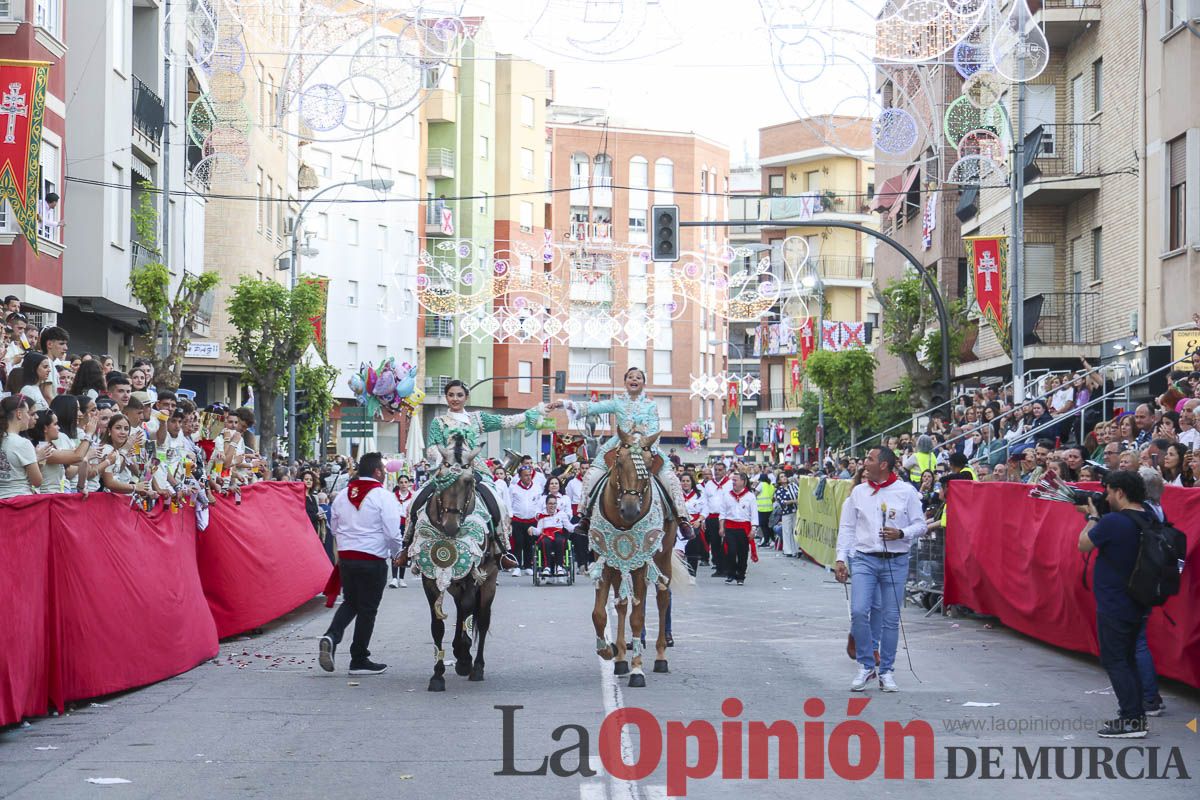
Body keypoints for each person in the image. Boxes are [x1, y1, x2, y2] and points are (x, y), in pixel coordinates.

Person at [557, 368, 690, 537]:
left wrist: (645, 444)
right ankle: (585, 516)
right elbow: (594, 407)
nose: (634, 380)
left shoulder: (651, 405)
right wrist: (565, 404)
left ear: (643, 382)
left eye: (638, 377)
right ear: (625, 381)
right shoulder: (617, 402)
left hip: (646, 446)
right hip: (619, 447)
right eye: (630, 377)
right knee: (591, 475)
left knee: (671, 479)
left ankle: (682, 518)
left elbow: (655, 428)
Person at [834, 446, 925, 692]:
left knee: (890, 619)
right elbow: (848, 528)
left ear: (883, 464)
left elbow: (921, 525)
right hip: (864, 558)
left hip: (896, 560)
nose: (864, 463)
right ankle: (866, 665)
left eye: (869, 459)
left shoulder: (906, 492)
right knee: (860, 610)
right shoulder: (859, 493)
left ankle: (886, 670)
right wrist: (841, 558)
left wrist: (902, 533)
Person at [1075, 469, 1151, 738]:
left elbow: (1083, 544)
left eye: (1108, 492)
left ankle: (1131, 719)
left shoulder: (1114, 522)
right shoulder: (1150, 516)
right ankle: (1137, 714)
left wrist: (1093, 517)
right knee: (1128, 658)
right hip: (1141, 599)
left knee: (1116, 660)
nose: (1105, 496)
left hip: (1115, 602)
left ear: (1120, 492)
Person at [318, 453, 402, 676]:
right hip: (372, 558)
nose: (384, 474)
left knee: (351, 602)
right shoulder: (383, 497)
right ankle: (359, 658)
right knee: (367, 609)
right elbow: (392, 532)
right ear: (376, 472)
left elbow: (334, 526)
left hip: (347, 557)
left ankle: (332, 636)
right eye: (383, 470)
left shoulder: (343, 495)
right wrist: (397, 554)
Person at [0, 396, 48, 498]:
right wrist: (38, 458)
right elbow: (37, 481)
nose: (30, 417)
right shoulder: (23, 443)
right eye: (28, 412)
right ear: (19, 414)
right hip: (19, 501)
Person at [719, 471, 758, 586]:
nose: (733, 482)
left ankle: (741, 575)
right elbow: (722, 513)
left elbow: (754, 515)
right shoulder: (727, 495)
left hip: (744, 528)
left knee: (742, 553)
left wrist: (753, 529)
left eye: (735, 480)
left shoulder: (750, 496)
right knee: (730, 551)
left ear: (743, 482)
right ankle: (731, 573)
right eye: (733, 480)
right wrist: (721, 527)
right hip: (730, 527)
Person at [701, 461, 733, 577]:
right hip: (712, 517)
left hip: (726, 518)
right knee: (714, 544)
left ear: (725, 471)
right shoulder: (709, 484)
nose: (718, 472)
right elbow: (705, 503)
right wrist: (703, 519)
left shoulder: (730, 484)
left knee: (727, 543)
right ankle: (719, 567)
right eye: (716, 470)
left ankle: (727, 567)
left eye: (720, 470)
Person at [534, 494, 575, 579]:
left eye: (554, 503)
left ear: (556, 504)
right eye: (550, 504)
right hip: (546, 534)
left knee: (560, 540)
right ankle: (547, 567)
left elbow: (569, 527)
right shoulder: (542, 516)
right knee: (546, 542)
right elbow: (538, 530)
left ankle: (559, 567)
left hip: (558, 533)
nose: (552, 506)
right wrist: (532, 530)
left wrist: (579, 526)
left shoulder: (562, 514)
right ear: (546, 505)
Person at [390, 474, 414, 588]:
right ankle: (394, 578)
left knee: (404, 551)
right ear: (398, 484)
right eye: (401, 482)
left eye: (405, 482)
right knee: (395, 550)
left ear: (409, 483)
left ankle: (402, 578)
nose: (404, 484)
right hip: (396, 524)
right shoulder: (392, 496)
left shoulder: (413, 496)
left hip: (407, 526)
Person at [776, 472, 799, 558]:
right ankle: (788, 550)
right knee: (787, 531)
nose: (784, 478)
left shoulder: (793, 486)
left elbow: (799, 494)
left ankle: (797, 549)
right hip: (786, 512)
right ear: (779, 480)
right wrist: (793, 501)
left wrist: (793, 501)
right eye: (781, 477)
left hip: (796, 511)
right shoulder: (779, 490)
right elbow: (782, 502)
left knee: (796, 530)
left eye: (785, 476)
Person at [755, 470, 776, 547]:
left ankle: (766, 540)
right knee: (768, 525)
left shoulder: (761, 484)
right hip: (769, 507)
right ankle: (772, 539)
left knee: (763, 525)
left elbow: (755, 494)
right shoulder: (771, 485)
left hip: (761, 508)